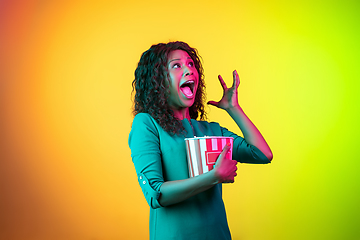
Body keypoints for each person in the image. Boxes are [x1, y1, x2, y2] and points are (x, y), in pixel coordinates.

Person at [128, 41, 273, 240]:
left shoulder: (211, 130)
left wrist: (234, 109)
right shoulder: (146, 124)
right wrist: (214, 176)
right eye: (176, 65)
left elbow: (263, 154)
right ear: (158, 79)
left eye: (191, 64)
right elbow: (155, 194)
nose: (189, 70)